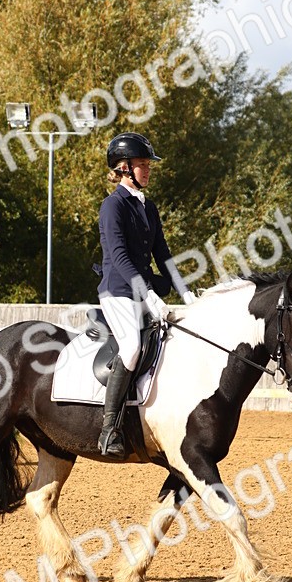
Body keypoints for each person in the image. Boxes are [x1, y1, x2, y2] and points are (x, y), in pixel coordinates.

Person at [95, 131, 196, 457]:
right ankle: (109, 429)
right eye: (141, 165)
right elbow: (120, 256)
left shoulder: (147, 207)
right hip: (119, 292)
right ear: (124, 168)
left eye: (147, 165)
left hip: (144, 291)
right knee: (133, 346)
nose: (148, 170)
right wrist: (149, 293)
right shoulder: (113, 207)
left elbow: (163, 255)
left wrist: (186, 292)